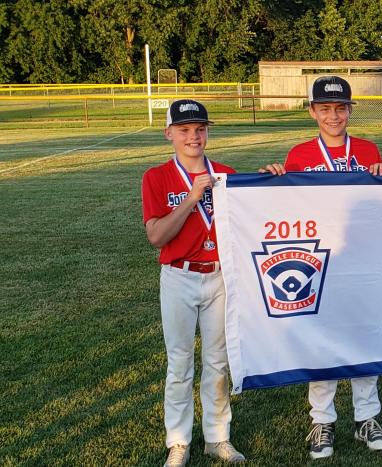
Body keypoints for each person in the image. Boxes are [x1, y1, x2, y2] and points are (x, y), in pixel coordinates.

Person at [259, 76, 382, 459]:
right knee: (323, 341)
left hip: (362, 260)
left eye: (340, 108)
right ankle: (322, 421)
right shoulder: (299, 154)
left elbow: (379, 207)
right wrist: (273, 182)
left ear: (350, 110)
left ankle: (367, 417)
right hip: (318, 262)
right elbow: (289, 209)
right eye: (325, 108)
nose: (333, 115)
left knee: (366, 336)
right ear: (313, 111)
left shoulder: (367, 150)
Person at [141, 99, 245, 467]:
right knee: (180, 362)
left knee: (219, 362)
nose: (193, 136)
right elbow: (156, 236)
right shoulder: (156, 177)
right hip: (179, 276)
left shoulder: (227, 173)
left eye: (200, 129)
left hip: (219, 276)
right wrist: (191, 198)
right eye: (184, 130)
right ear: (169, 133)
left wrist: (272, 177)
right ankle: (179, 441)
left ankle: (217, 437)